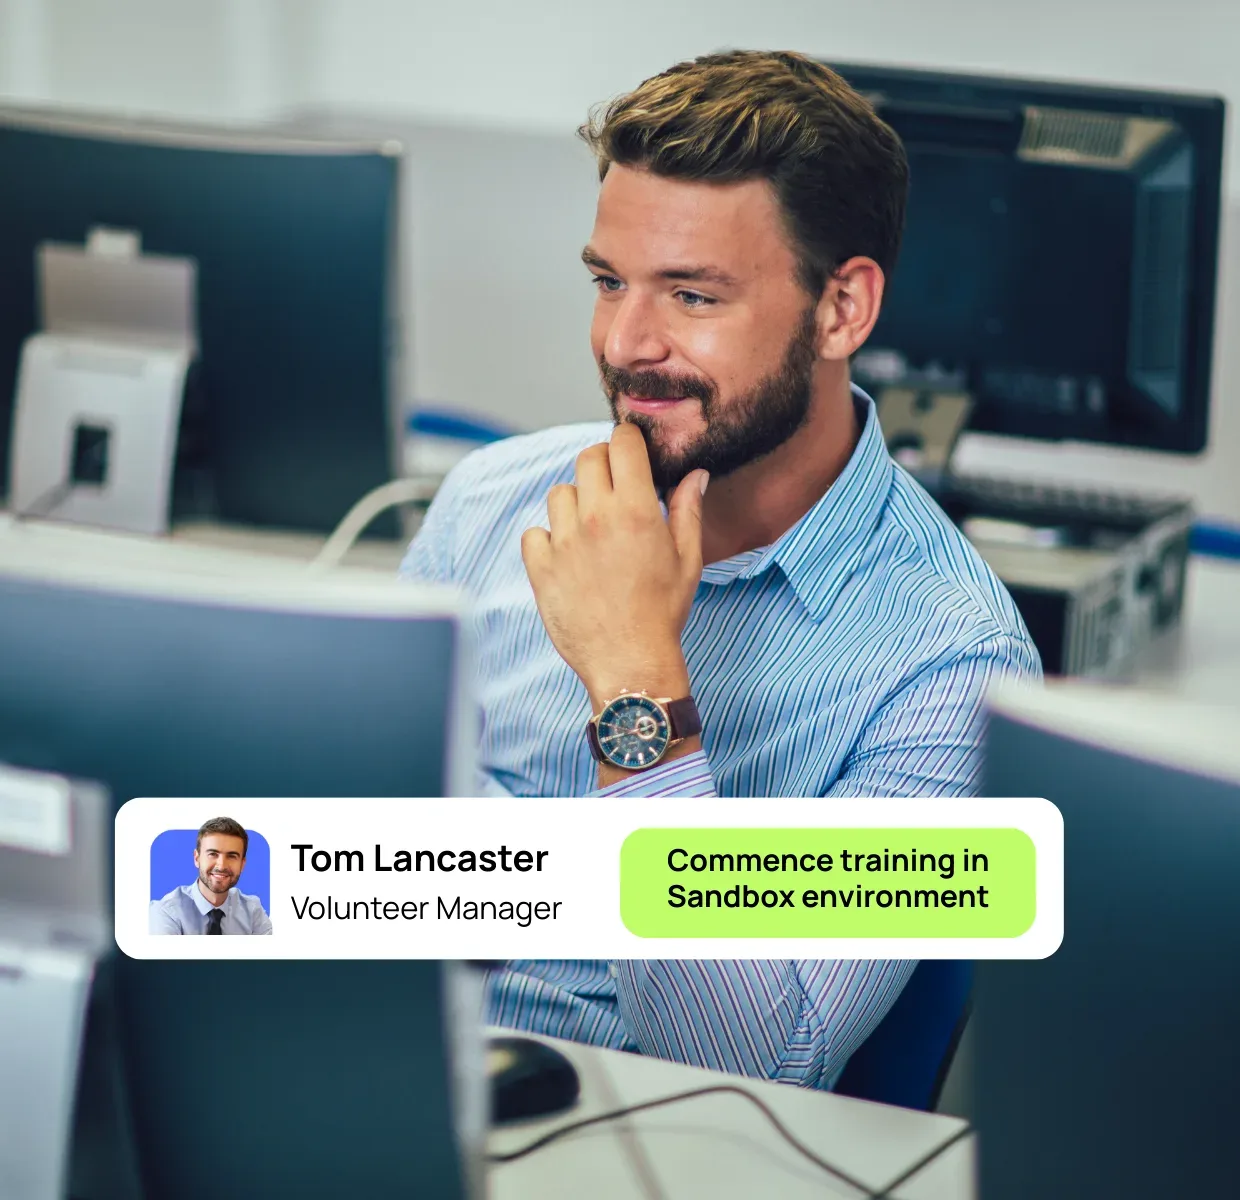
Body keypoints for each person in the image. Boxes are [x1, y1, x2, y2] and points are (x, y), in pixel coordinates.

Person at [401, 50, 1040, 1088]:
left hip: (639, 1127)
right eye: (608, 282)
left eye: (691, 296)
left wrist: (635, 685)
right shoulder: (488, 503)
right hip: (383, 1064)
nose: (624, 341)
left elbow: (755, 1061)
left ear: (841, 310)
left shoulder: (948, 666)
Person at [150, 817, 272, 935]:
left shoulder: (252, 911)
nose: (222, 865)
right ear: (197, 858)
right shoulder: (166, 912)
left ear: (242, 864)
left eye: (232, 856)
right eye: (213, 854)